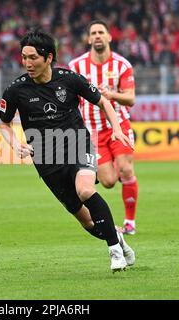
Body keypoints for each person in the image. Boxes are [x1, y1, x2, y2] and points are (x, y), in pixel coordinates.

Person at [0, 29, 135, 272]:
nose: (27, 63)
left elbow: (103, 101)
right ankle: (117, 237)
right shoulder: (15, 90)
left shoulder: (69, 80)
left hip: (76, 143)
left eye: (33, 58)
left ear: (48, 57)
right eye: (24, 57)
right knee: (86, 221)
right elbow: (4, 123)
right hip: (45, 157)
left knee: (85, 189)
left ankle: (114, 251)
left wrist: (116, 128)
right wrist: (14, 142)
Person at [69, 20, 139, 235]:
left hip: (118, 125)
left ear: (109, 37)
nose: (97, 36)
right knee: (108, 182)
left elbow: (131, 99)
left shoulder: (122, 65)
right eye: (93, 33)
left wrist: (111, 95)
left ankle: (130, 222)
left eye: (101, 32)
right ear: (89, 39)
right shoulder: (76, 66)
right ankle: (117, 169)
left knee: (126, 169)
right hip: (92, 131)